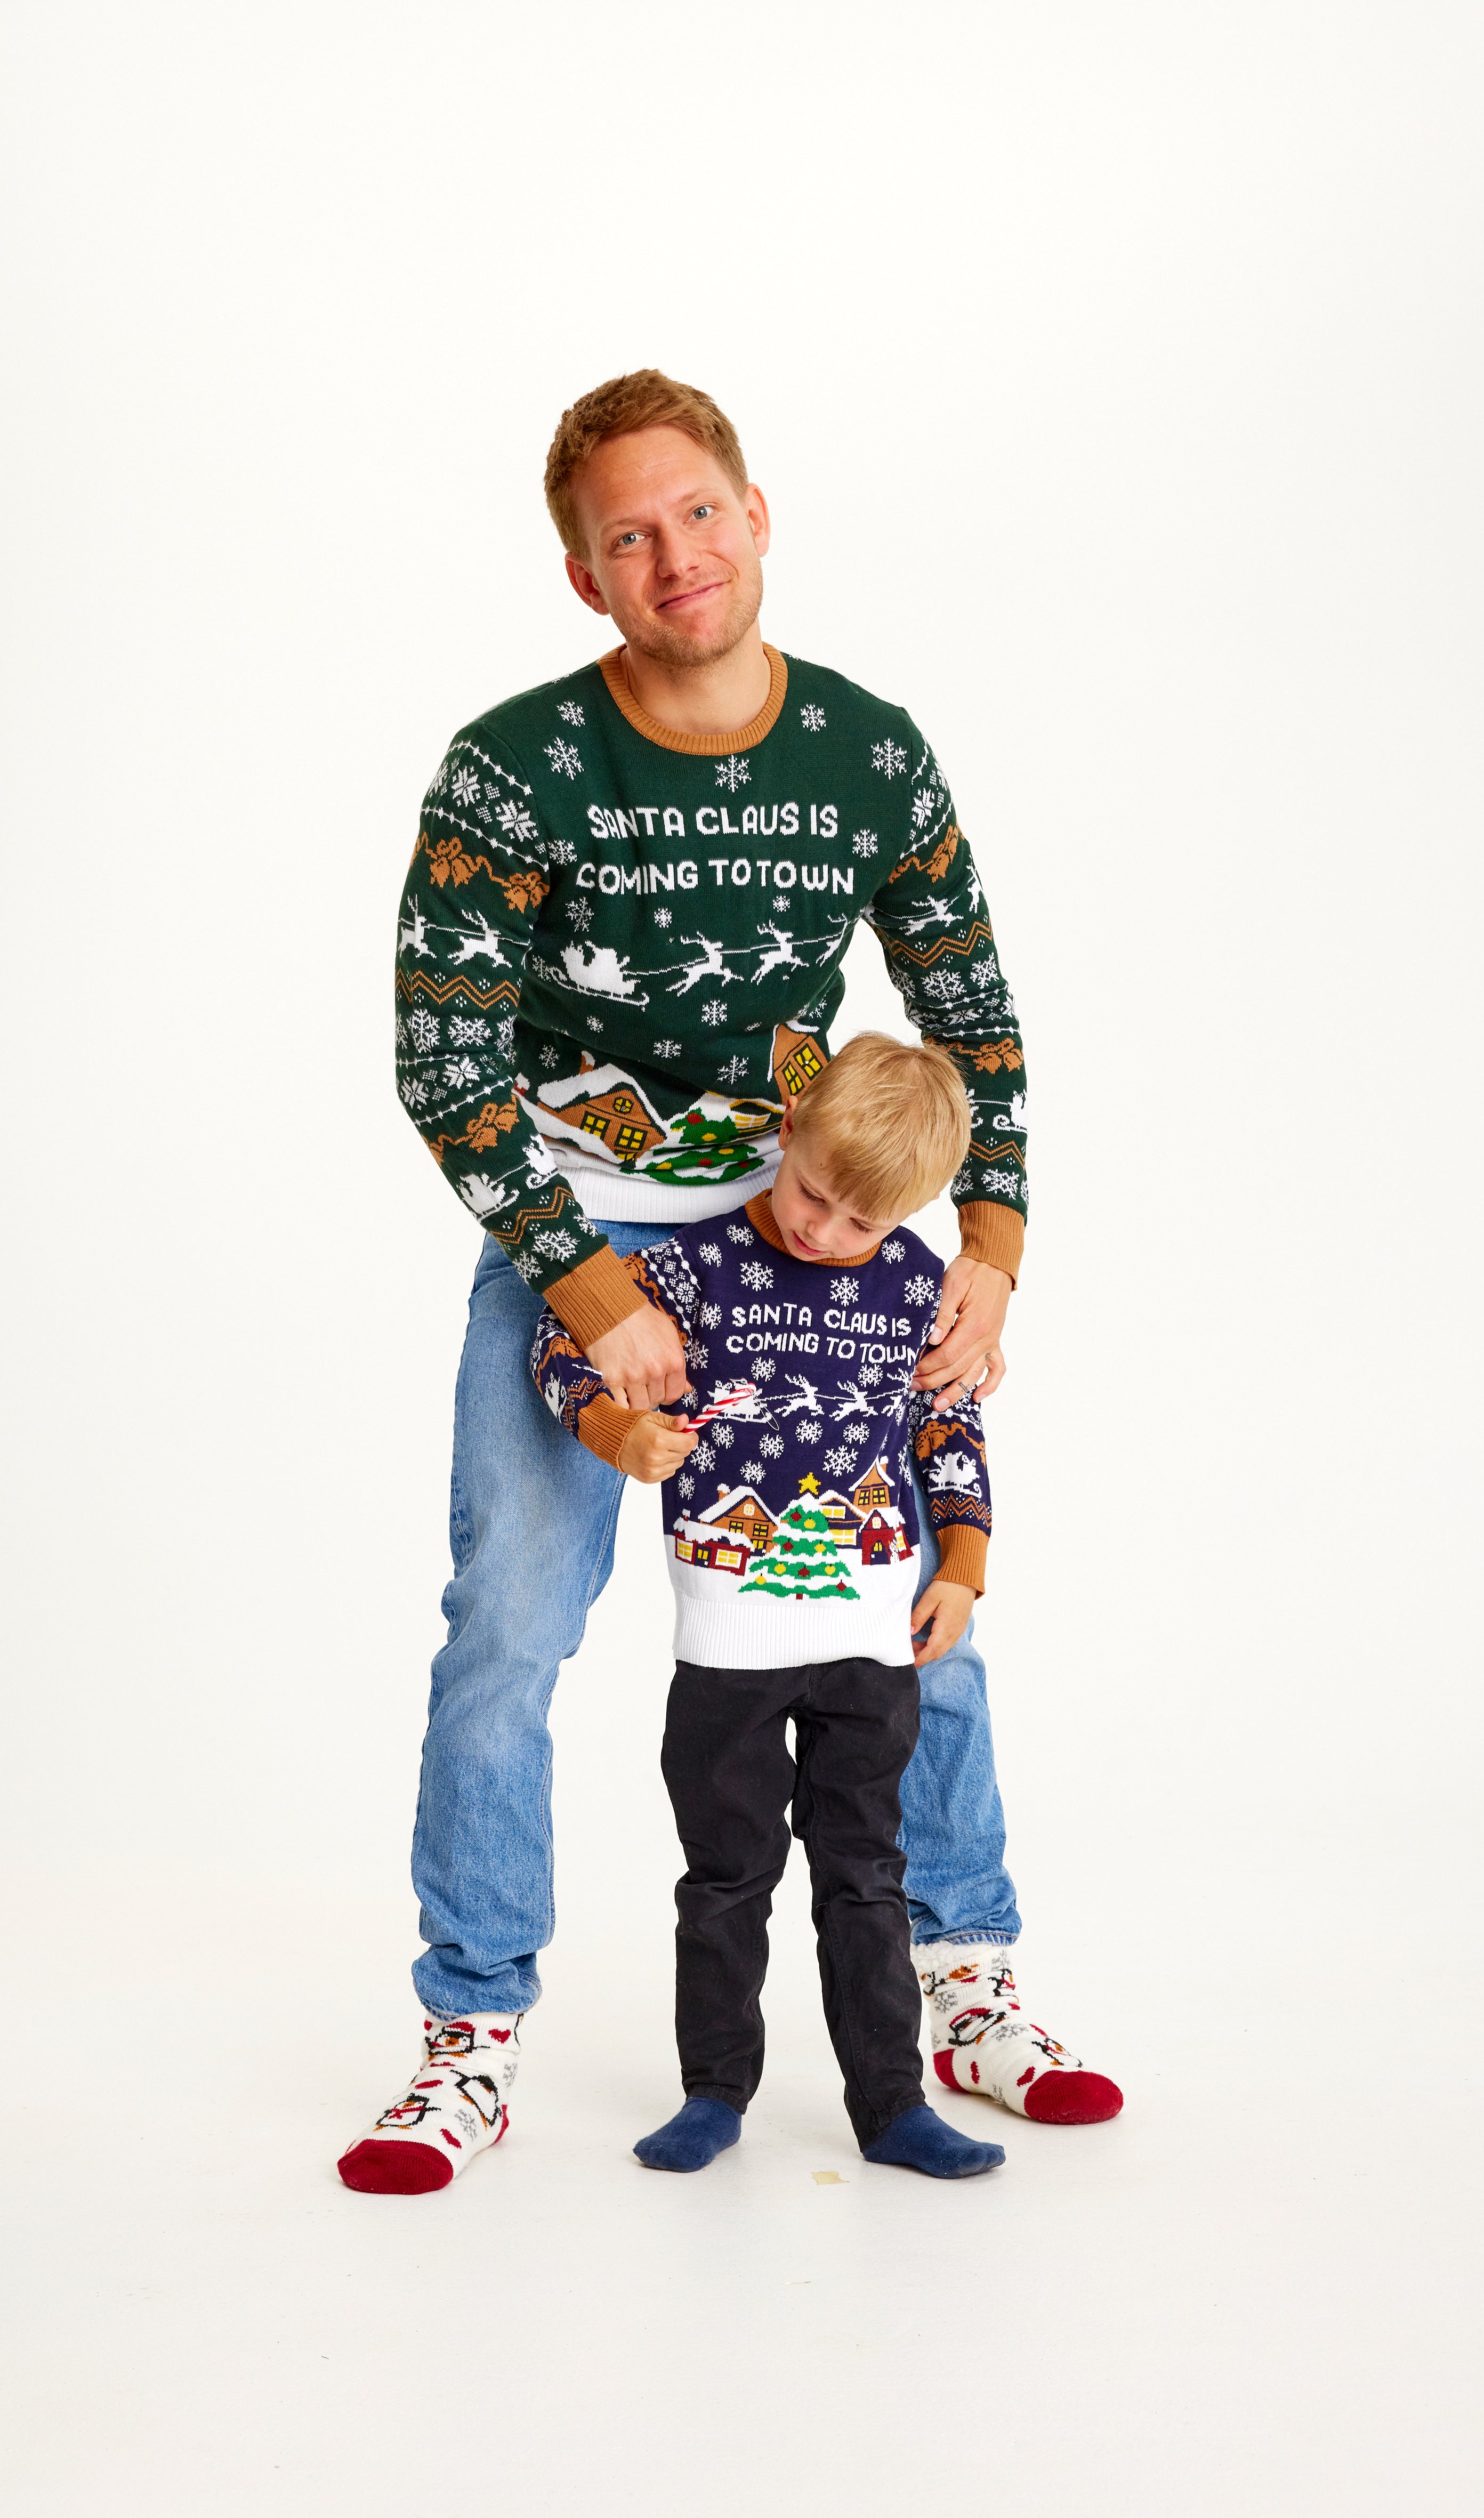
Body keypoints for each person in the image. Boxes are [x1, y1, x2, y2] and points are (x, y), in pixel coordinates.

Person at [338, 368, 1119, 2194]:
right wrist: (590, 1290)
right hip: (585, 1229)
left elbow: (976, 1021)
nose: (672, 554)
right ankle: (471, 2031)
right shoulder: (514, 767)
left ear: (758, 516)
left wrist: (987, 1252)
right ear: (584, 578)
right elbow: (445, 1058)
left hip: (805, 1233)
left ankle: (968, 1973)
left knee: (910, 1600)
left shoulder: (867, 751)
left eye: (698, 512)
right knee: (513, 1625)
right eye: (628, 534)